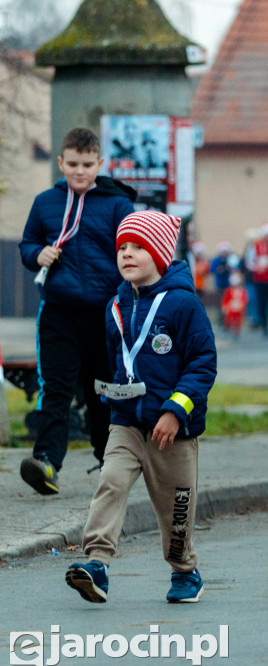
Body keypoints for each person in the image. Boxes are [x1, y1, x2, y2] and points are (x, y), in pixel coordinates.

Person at [65, 211, 217, 604]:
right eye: (122, 248)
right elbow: (119, 362)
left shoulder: (184, 304)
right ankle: (97, 564)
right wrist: (113, 395)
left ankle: (185, 571)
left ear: (161, 254)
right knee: (111, 481)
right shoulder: (115, 306)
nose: (127, 254)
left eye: (139, 247)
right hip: (127, 423)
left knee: (175, 510)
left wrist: (174, 410)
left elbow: (203, 363)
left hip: (173, 430)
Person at [18, 127, 137, 495]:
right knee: (55, 389)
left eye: (87, 164)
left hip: (106, 314)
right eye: (72, 164)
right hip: (59, 312)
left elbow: (134, 249)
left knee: (104, 391)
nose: (79, 171)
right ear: (61, 163)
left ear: (99, 164)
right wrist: (37, 254)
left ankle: (110, 463)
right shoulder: (45, 202)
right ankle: (46, 463)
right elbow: (27, 244)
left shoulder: (117, 204)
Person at [220, 271, 249, 338]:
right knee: (230, 319)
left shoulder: (243, 290)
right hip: (231, 307)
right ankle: (230, 328)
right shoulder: (229, 290)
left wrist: (242, 305)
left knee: (238, 320)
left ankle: (237, 331)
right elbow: (225, 299)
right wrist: (225, 306)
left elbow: (244, 299)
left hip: (239, 307)